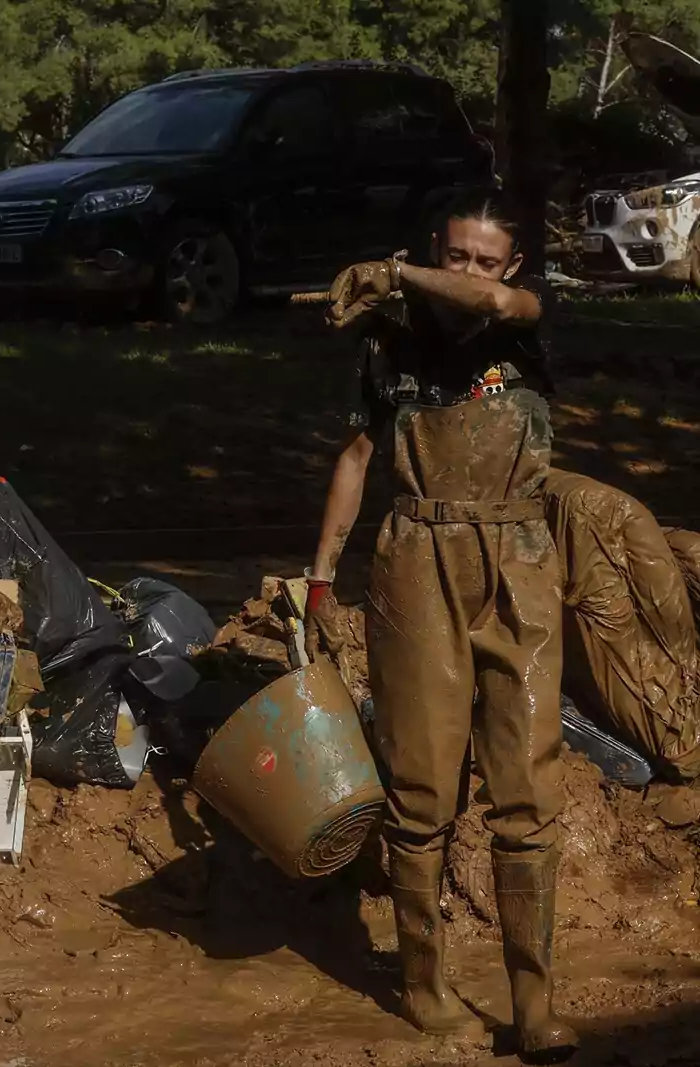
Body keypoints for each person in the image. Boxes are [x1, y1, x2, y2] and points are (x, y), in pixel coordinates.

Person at [305, 191, 577, 1063]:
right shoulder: (391, 338)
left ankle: (533, 1007)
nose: (465, 275)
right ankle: (424, 983)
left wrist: (397, 271)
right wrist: (319, 575)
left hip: (520, 557)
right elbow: (355, 456)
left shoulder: (528, 322)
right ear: (436, 249)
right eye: (451, 255)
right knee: (421, 787)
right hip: (417, 554)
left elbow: (495, 307)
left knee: (528, 794)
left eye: (482, 260)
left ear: (512, 270)